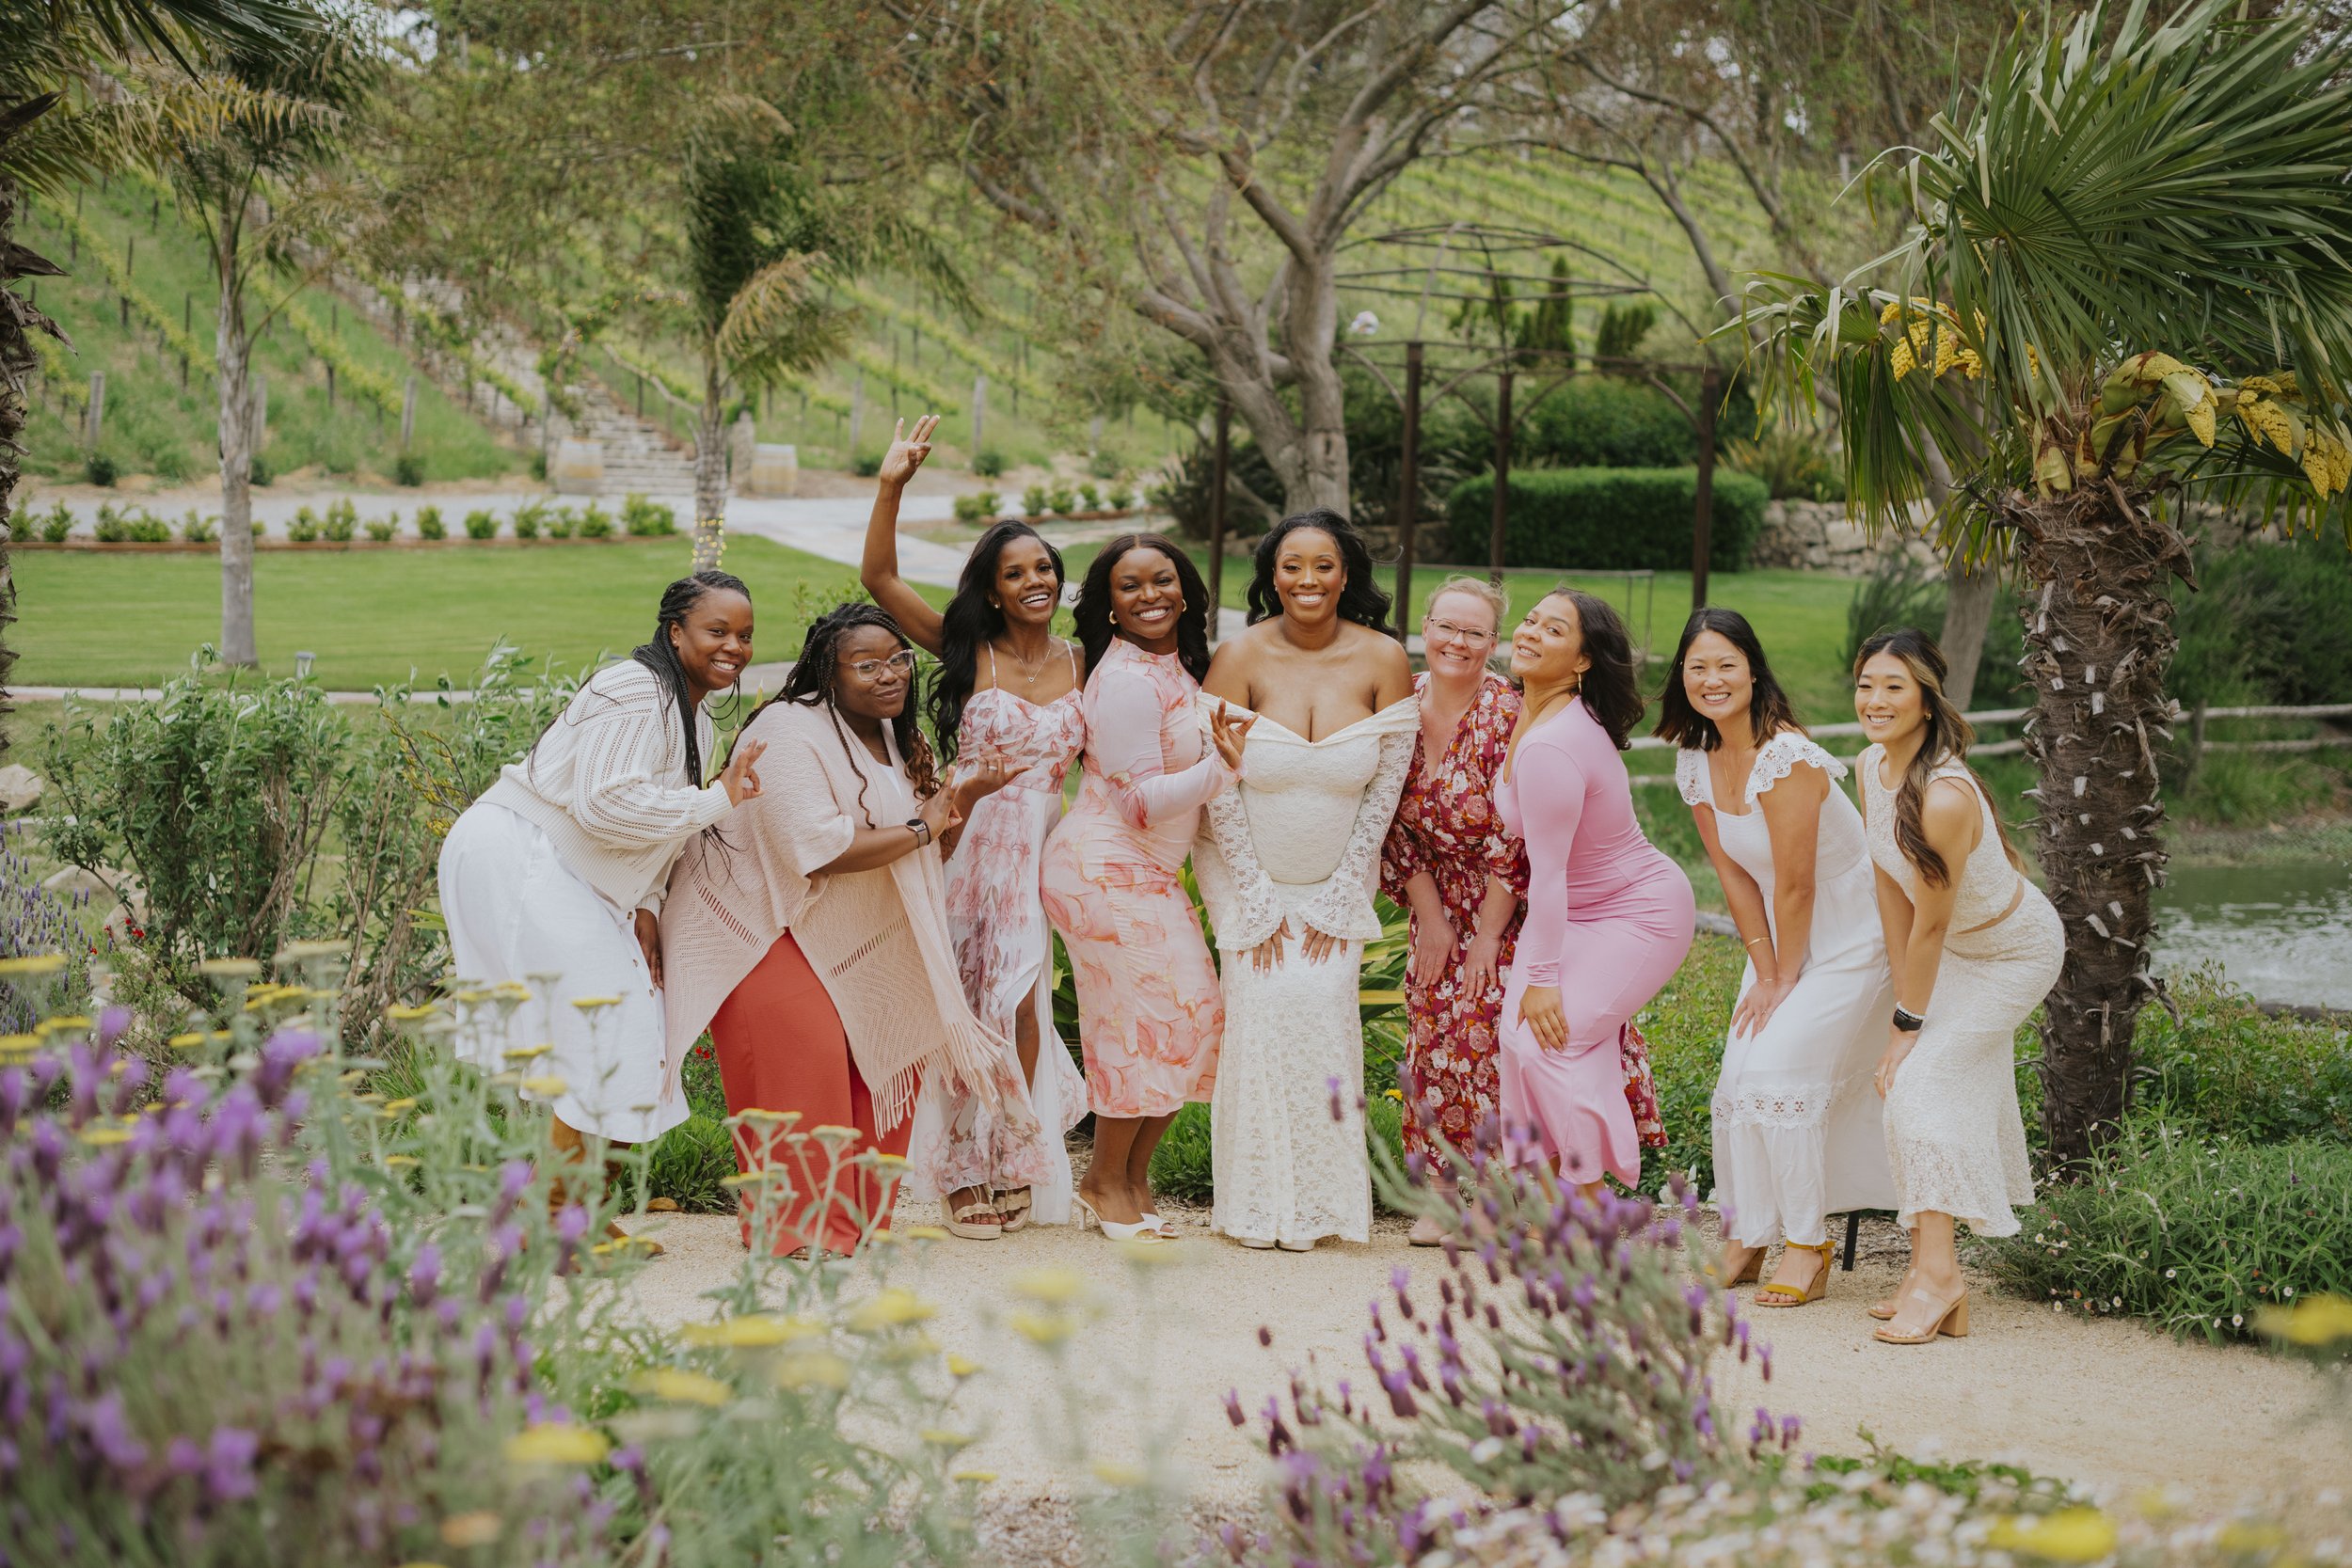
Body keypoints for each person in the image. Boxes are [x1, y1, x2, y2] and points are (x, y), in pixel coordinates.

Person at [659, 604, 1031, 1260]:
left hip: (848, 925)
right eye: (867, 665)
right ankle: (795, 1226)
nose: (890, 675)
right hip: (760, 920)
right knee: (808, 1058)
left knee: (884, 1055)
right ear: (829, 674)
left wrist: (964, 800)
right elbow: (818, 848)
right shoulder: (786, 731)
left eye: (898, 659)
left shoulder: (896, 736)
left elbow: (929, 849)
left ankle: (854, 1219)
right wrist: (923, 825)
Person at [439, 570, 766, 1254]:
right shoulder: (633, 689)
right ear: (675, 631)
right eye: (717, 631)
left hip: (575, 872)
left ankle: (572, 1212)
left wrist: (647, 903)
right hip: (524, 853)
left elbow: (651, 825)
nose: (734, 647)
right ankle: (554, 1222)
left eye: (744, 635)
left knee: (636, 1032)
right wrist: (719, 798)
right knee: (608, 1026)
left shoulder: (690, 714)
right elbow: (604, 804)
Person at [860, 415, 1088, 1240]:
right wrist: (892, 484)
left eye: (1044, 568)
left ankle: (1011, 1155)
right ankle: (959, 1172)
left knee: (1022, 1006)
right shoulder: (969, 650)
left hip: (1039, 851)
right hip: (966, 846)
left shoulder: (1083, 659)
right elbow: (880, 578)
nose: (1034, 580)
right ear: (992, 590)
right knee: (962, 1002)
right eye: (1014, 572)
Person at [1659, 608, 1896, 1305]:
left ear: (1754, 671)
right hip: (1782, 939)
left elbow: (1796, 882)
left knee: (1775, 1072)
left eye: (1726, 665)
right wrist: (1764, 970)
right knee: (1737, 1080)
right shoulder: (1695, 759)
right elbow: (1735, 876)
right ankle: (1747, 1235)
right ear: (1682, 677)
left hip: (1853, 932)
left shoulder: (1785, 755)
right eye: (1698, 667)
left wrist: (1784, 978)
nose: (1712, 679)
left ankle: (1806, 1244)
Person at [1196, 509, 1416, 1252]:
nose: (1308, 580)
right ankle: (1256, 1209)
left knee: (1322, 1027)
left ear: (1346, 574)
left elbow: (1384, 792)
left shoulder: (1385, 659)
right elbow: (1221, 789)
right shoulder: (1239, 656)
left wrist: (1342, 891)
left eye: (1323, 565)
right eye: (1292, 566)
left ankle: (1323, 1209)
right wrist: (1256, 900)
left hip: (1336, 895)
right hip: (1250, 888)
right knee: (1259, 1031)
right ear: (1272, 575)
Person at [1039, 534, 1250, 1243]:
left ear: (1185, 591)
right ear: (1109, 606)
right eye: (1129, 586)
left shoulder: (1174, 668)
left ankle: (1131, 1178)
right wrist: (1224, 769)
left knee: (1195, 1019)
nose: (1150, 595)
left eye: (1162, 580)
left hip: (1144, 873)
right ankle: (1104, 1181)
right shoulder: (1129, 679)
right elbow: (1138, 803)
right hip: (1104, 867)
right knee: (1137, 1027)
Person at [1853, 627, 2061, 1345]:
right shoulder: (1869, 766)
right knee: (1908, 1090)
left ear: (1926, 699)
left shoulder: (1943, 796)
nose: (1875, 700)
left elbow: (1932, 925)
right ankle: (1927, 1274)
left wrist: (1906, 1028)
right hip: (1951, 951)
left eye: (1894, 687)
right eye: (1865, 685)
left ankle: (1941, 1278)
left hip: (2011, 952)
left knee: (1918, 1083)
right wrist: (1902, 1002)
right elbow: (1891, 888)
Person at [1496, 589, 1694, 1201]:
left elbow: (1548, 873)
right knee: (1517, 1042)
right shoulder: (1540, 711)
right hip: (1573, 913)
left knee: (1548, 1046)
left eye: (1554, 630)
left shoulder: (1554, 742)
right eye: (1531, 619)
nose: (1531, 631)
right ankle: (1549, 1206)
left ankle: (1586, 1202)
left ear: (1582, 660)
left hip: (1638, 913)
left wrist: (1544, 978)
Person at [1377, 578, 1525, 1244]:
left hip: (1503, 901)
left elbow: (1515, 832)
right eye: (1447, 626)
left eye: (1474, 632)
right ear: (1425, 628)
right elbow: (1383, 813)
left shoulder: (1508, 714)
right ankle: (1437, 1196)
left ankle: (1497, 1195)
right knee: (1430, 1038)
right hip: (1431, 897)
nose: (1457, 642)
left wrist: (1487, 934)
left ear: (1493, 643)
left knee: (1487, 1034)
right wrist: (1431, 916)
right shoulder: (1398, 703)